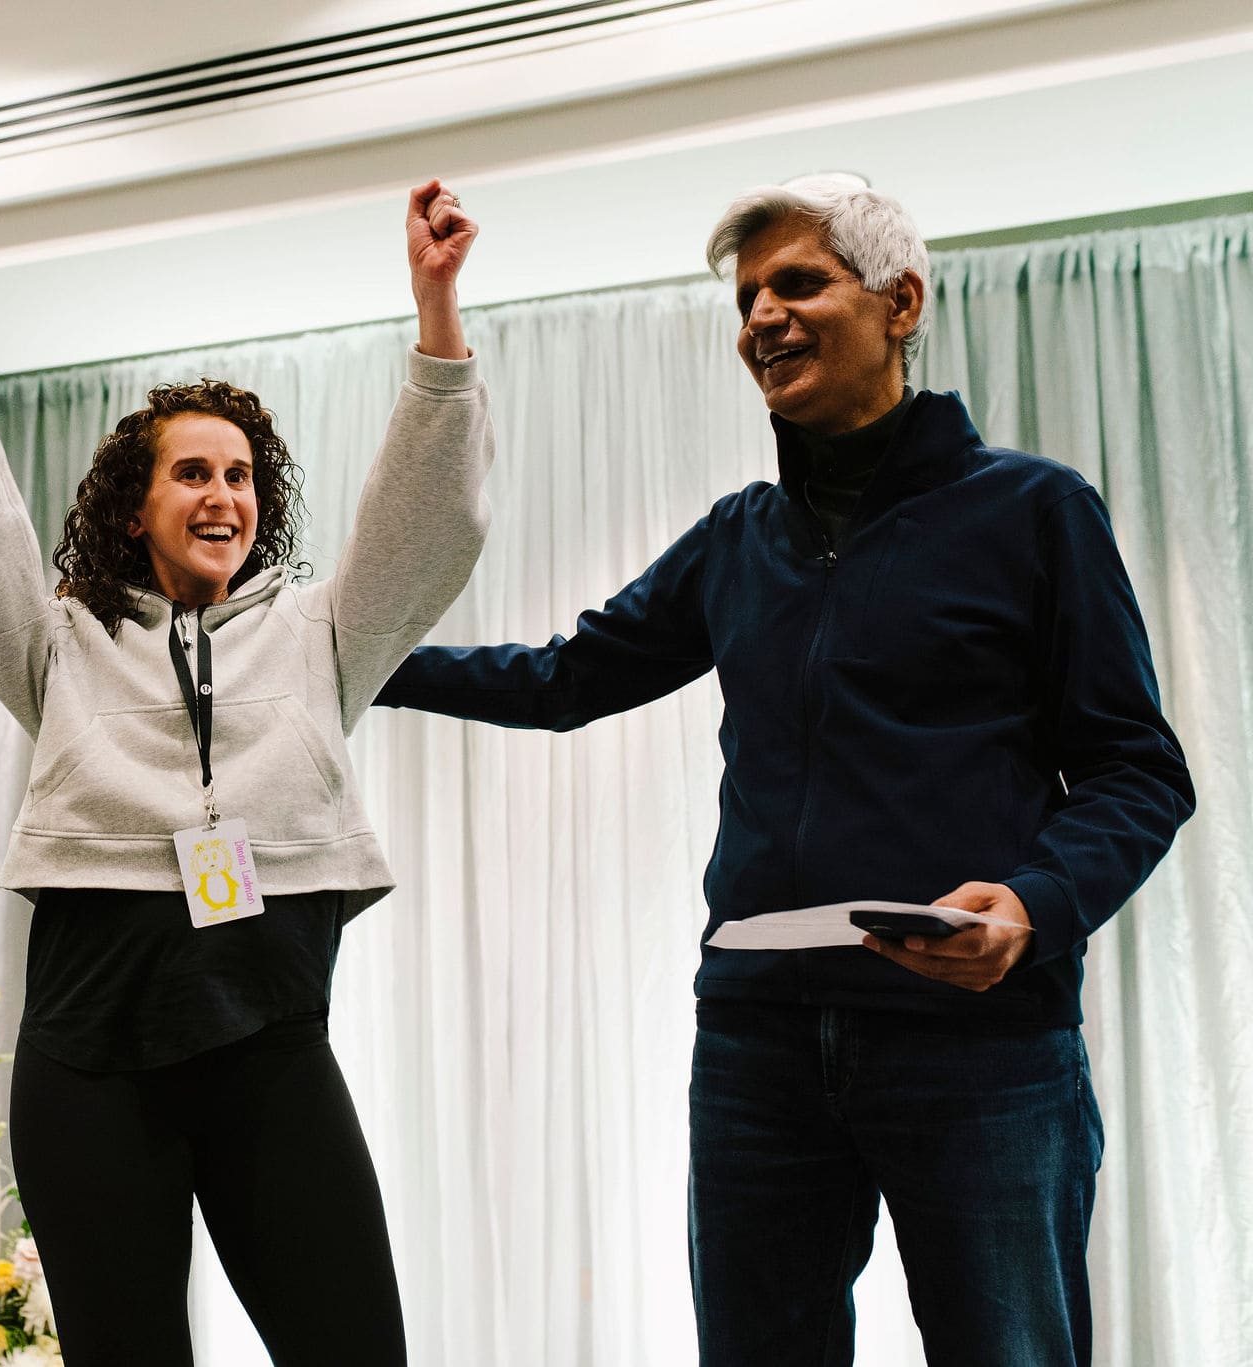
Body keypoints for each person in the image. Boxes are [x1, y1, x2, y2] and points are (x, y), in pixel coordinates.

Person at [373, 176, 1195, 1366]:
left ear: (900, 301)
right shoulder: (736, 537)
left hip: (975, 1046)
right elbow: (558, 680)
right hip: (757, 1047)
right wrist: (347, 657)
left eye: (797, 282)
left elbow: (1135, 770)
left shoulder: (1032, 511)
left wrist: (1029, 906)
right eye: (748, 295)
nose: (761, 315)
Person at [0, 180, 491, 1366]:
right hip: (88, 1061)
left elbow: (431, 525)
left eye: (241, 476)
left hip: (267, 1044)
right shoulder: (58, 645)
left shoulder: (322, 636)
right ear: (132, 509)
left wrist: (435, 308)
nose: (223, 495)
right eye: (192, 473)